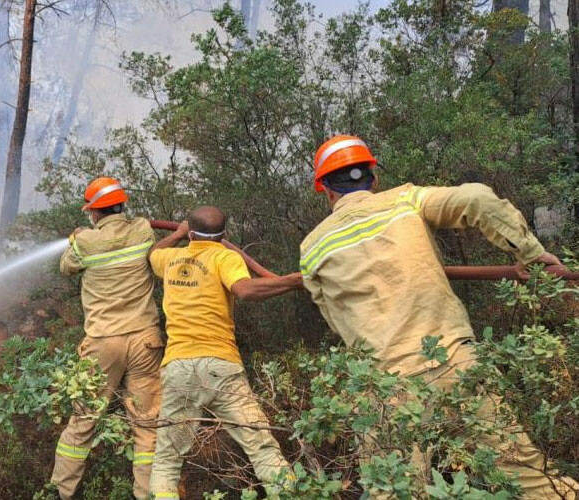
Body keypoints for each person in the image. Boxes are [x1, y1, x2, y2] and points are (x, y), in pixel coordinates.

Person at [300, 134, 579, 499]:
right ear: (373, 175)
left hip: (383, 387)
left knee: (393, 490)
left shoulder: (312, 247)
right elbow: (477, 198)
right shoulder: (405, 200)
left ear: (324, 188)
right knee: (526, 475)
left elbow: (336, 321)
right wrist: (530, 253)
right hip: (454, 363)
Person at [147, 206, 301, 499]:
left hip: (178, 367)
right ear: (224, 235)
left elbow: (153, 252)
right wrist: (292, 281)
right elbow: (244, 290)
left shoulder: (170, 259)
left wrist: (178, 234)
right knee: (260, 446)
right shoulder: (225, 256)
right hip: (221, 367)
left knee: (167, 461)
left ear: (191, 232)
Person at [50, 177, 164, 500]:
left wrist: (76, 239)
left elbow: (65, 267)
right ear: (122, 205)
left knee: (84, 418)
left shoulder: (85, 243)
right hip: (145, 341)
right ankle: (149, 495)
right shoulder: (143, 230)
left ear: (94, 213)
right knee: (147, 424)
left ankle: (62, 492)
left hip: (102, 343)